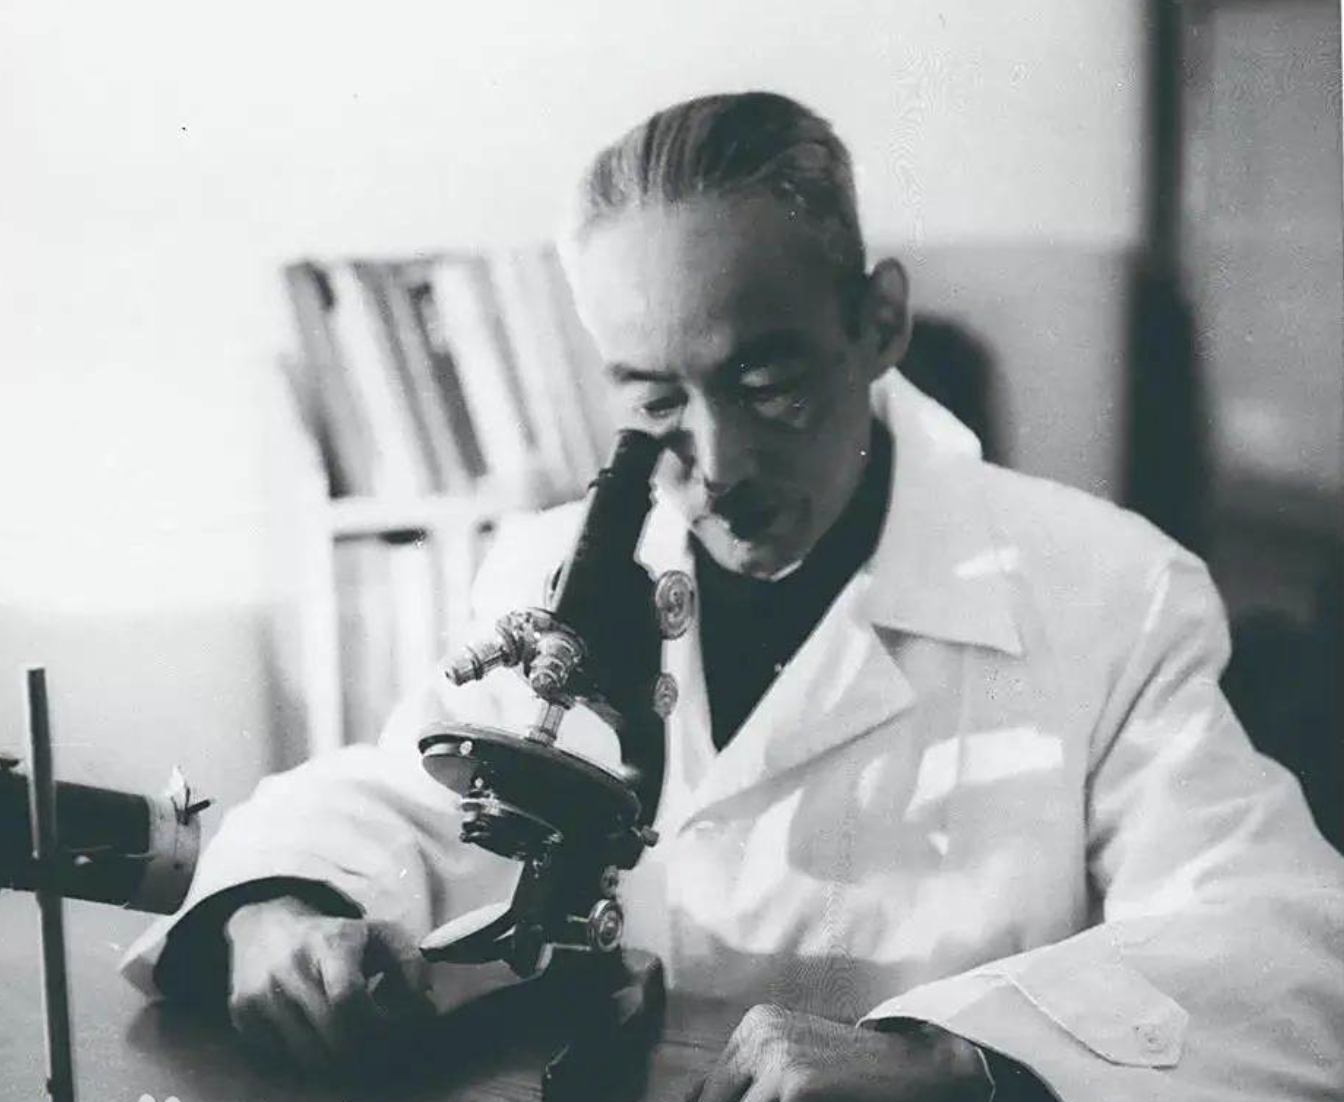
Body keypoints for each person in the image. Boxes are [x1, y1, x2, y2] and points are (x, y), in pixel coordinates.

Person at [122, 92, 1344, 1101]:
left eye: (766, 380)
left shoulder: (1110, 591)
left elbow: (1274, 944)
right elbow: (415, 789)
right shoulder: (553, 569)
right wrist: (274, 910)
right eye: (655, 397)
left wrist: (962, 1061)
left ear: (879, 322)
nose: (716, 465)